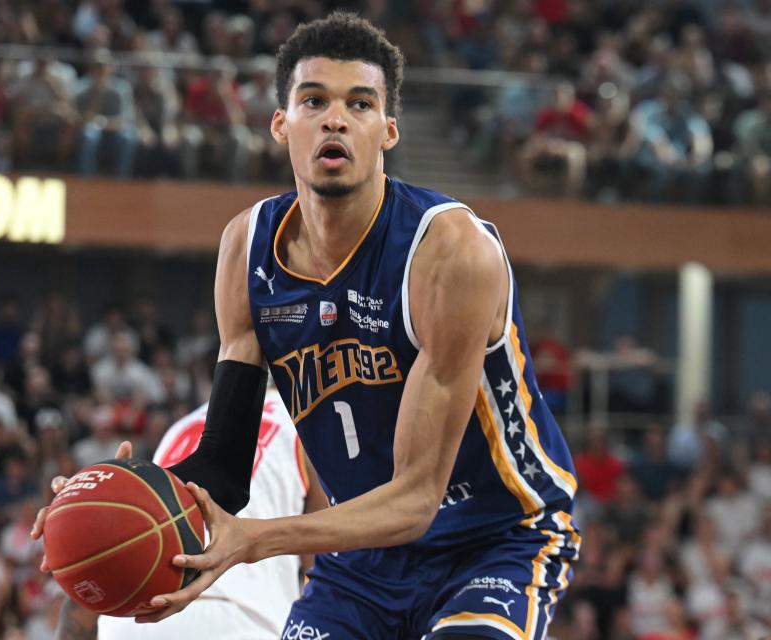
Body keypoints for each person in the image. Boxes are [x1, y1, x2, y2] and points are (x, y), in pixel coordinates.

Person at [34, 13, 579, 640]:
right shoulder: (246, 248)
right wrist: (115, 502)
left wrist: (255, 542)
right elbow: (224, 472)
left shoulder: (449, 253)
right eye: (313, 100)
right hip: (361, 558)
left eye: (360, 104)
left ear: (388, 131)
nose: (336, 119)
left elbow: (415, 500)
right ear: (280, 124)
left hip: (493, 539)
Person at [51, 388, 323, 639]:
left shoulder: (181, 427)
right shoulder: (305, 426)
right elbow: (323, 565)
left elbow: (105, 562)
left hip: (133, 621)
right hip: (241, 618)